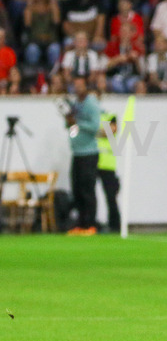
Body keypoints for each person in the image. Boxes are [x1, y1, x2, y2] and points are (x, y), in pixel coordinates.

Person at [65, 74, 101, 236]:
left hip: (89, 153)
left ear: (86, 86)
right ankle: (80, 224)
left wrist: (76, 122)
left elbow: (95, 127)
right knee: (77, 189)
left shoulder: (91, 103)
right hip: (77, 152)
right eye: (75, 85)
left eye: (80, 85)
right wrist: (69, 122)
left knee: (87, 190)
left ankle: (90, 224)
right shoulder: (75, 104)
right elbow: (72, 129)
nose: (77, 88)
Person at [96, 110, 120, 233]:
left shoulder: (109, 116)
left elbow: (111, 130)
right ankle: (91, 223)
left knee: (111, 196)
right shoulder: (92, 117)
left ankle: (115, 224)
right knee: (89, 196)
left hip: (108, 165)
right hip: (94, 162)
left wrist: (90, 131)